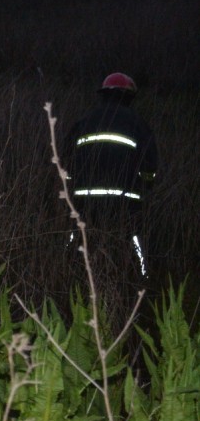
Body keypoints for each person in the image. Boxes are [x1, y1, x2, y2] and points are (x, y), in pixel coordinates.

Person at [65, 72, 157, 277]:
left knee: (78, 240)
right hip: (126, 202)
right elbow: (150, 165)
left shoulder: (84, 122)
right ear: (129, 97)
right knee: (132, 241)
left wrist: (73, 186)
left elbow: (66, 161)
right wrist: (144, 187)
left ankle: (66, 272)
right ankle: (141, 279)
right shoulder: (138, 124)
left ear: (103, 95)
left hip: (84, 200)